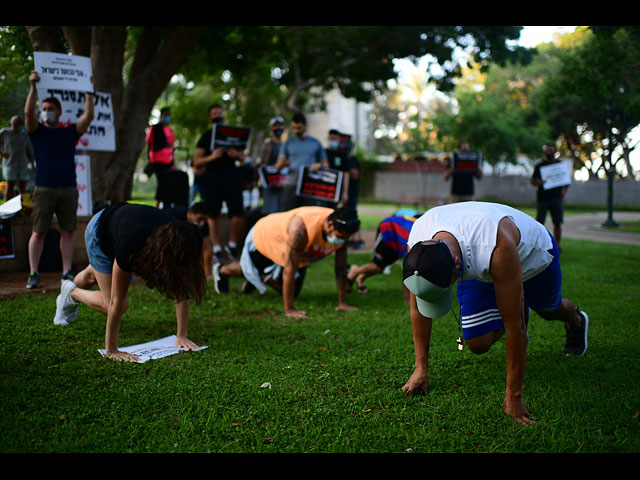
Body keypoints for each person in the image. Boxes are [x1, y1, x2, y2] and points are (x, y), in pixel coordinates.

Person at [400, 201, 589, 425]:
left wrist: (514, 396)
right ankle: (511, 299)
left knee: (549, 309)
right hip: (480, 262)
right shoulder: (419, 244)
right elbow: (417, 309)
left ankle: (576, 320)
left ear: (456, 264)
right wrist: (421, 369)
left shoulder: (497, 245)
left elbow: (515, 326)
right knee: (478, 343)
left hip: (533, 260)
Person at [52, 202, 206, 362]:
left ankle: (92, 274)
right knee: (113, 303)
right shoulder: (132, 245)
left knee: (93, 277)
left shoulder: (175, 236)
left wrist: (181, 335)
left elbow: (181, 285)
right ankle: (71, 292)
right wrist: (111, 350)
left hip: (120, 225)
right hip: (99, 231)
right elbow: (115, 302)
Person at [213, 206, 360, 318]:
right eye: (341, 236)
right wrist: (290, 309)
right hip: (267, 236)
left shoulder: (342, 228)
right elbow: (289, 270)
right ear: (329, 225)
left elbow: (340, 268)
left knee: (293, 291)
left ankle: (263, 278)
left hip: (295, 248)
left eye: (346, 237)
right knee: (250, 269)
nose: (342, 241)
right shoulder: (300, 231)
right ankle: (222, 270)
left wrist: (342, 303)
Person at [24, 70, 95, 289]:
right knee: (39, 232)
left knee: (67, 231)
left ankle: (66, 272)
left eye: (51, 109)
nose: (47, 113)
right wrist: (33, 87)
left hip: (68, 188)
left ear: (59, 112)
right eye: (44, 110)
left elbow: (88, 117)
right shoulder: (37, 132)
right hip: (44, 188)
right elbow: (28, 114)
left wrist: (89, 91)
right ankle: (33, 273)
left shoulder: (70, 132)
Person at [193, 104, 245, 263]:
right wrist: (212, 157)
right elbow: (197, 161)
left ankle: (232, 244)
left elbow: (243, 157)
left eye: (219, 113)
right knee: (212, 213)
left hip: (232, 176)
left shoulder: (233, 136)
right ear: (210, 118)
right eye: (214, 114)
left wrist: (236, 155)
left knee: (238, 213)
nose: (217, 116)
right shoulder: (206, 136)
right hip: (212, 178)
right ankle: (216, 248)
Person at [347, 212, 419, 302]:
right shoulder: (417, 245)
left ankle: (360, 278)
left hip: (400, 233)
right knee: (379, 267)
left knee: (380, 268)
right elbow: (407, 272)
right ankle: (355, 271)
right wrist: (407, 301)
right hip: (388, 229)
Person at [275, 112, 328, 211]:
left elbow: (326, 165)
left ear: (305, 126)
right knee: (287, 216)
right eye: (294, 128)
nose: (296, 131)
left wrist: (319, 165)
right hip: (291, 185)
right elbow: (278, 166)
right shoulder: (288, 143)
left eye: (299, 128)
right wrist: (284, 164)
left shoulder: (316, 143)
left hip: (309, 187)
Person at [531, 145, 569, 247]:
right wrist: (539, 182)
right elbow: (533, 180)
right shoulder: (540, 165)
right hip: (543, 198)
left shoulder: (560, 165)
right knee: (540, 222)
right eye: (547, 150)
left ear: (555, 151)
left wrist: (564, 191)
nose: (549, 152)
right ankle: (539, 245)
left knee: (557, 222)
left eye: (551, 150)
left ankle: (557, 246)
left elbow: (566, 181)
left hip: (557, 198)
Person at [145, 107, 175, 208]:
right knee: (162, 182)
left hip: (169, 160)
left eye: (168, 115)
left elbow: (172, 146)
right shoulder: (154, 128)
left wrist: (173, 159)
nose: (167, 117)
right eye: (165, 115)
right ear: (161, 116)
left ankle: (166, 204)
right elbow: (149, 143)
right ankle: (159, 205)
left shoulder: (170, 130)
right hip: (157, 159)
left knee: (167, 182)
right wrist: (148, 159)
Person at [0, 116, 35, 201]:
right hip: (10, 164)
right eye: (20, 124)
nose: (22, 125)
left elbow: (28, 150)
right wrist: (2, 153)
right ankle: (7, 208)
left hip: (22, 164)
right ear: (14, 124)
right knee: (10, 186)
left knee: (22, 187)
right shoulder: (5, 132)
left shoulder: (23, 134)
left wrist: (32, 163)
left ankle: (23, 207)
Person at [259, 116, 285, 214]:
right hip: (271, 184)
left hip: (283, 184)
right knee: (270, 213)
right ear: (271, 128)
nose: (278, 128)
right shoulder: (268, 144)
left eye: (280, 125)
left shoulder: (285, 144)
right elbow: (263, 165)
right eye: (275, 126)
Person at [324, 129, 350, 207]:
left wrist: (345, 192)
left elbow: (346, 173)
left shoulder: (342, 154)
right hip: (323, 188)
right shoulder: (323, 153)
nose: (333, 140)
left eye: (335, 138)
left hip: (336, 189)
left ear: (339, 140)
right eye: (331, 138)